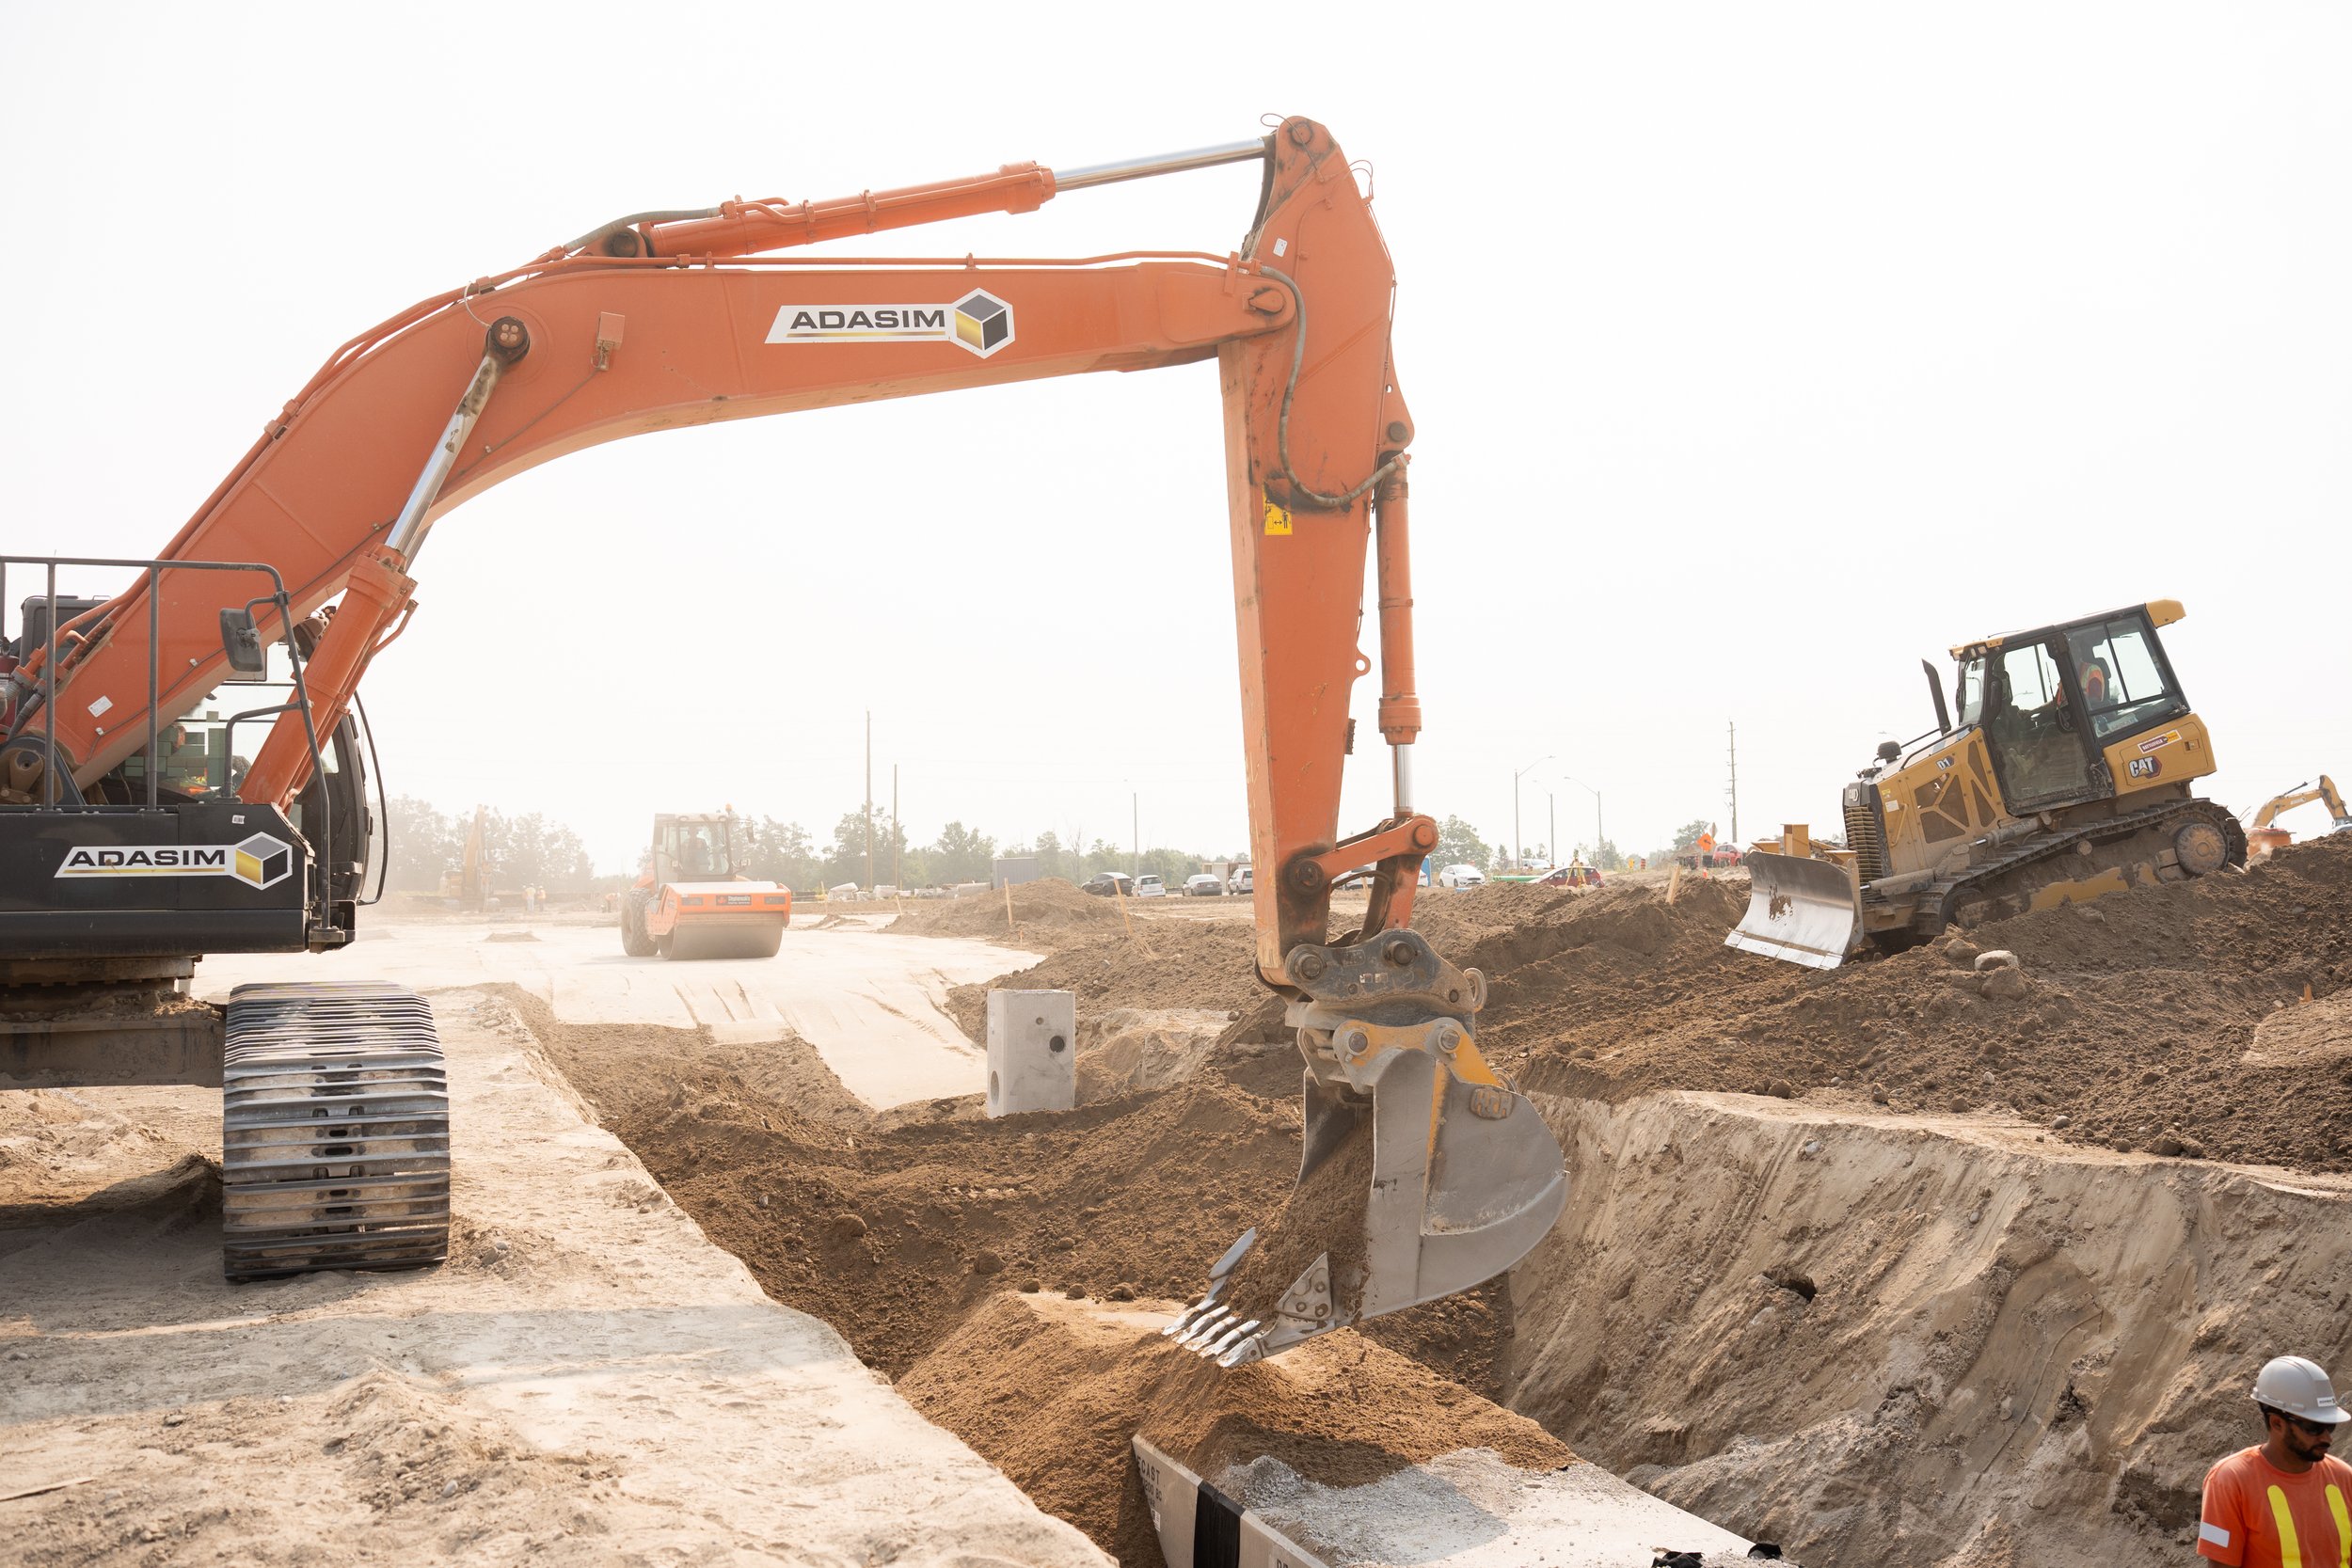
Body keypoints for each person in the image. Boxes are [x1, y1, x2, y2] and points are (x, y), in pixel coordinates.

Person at [2198, 1354, 2351, 1566]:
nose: (2327, 1437)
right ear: (2277, 1423)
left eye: (2330, 1426)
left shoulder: (2344, 1477)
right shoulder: (2228, 1481)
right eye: (2313, 1428)